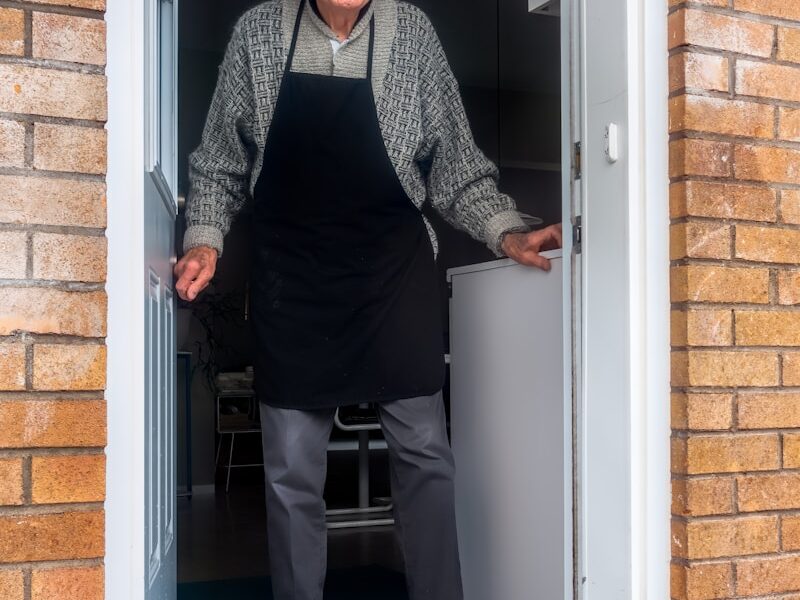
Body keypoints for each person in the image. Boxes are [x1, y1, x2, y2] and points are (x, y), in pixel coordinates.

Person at [174, 0, 562, 598]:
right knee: (290, 472)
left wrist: (504, 230)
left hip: (392, 275)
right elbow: (220, 165)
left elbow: (456, 166)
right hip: (294, 283)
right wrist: (204, 239)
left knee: (426, 458)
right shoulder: (259, 33)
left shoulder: (411, 33)